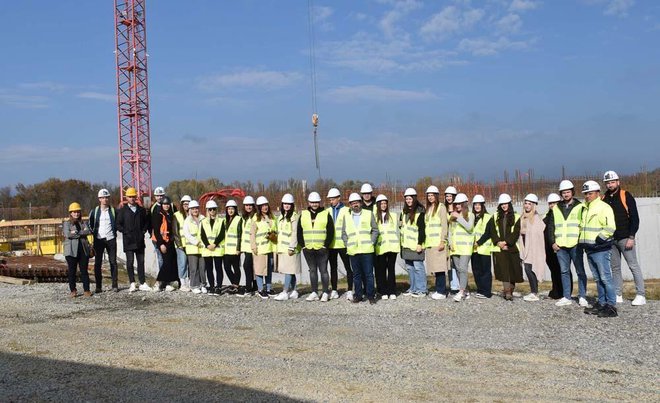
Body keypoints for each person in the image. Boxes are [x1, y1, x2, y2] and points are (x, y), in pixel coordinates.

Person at [602, 170, 646, 306]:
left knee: (633, 266)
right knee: (615, 267)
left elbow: (635, 218)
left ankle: (641, 295)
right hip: (611, 240)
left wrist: (631, 237)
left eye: (612, 182)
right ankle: (618, 293)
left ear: (618, 182)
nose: (610, 185)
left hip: (625, 238)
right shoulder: (604, 198)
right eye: (608, 183)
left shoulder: (625, 195)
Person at [580, 181, 618, 318]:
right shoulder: (585, 208)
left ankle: (611, 306)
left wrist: (600, 239)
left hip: (600, 248)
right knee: (598, 279)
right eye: (585, 194)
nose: (587, 196)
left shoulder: (604, 207)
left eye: (590, 193)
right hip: (589, 248)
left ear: (597, 193)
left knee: (605, 278)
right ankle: (602, 303)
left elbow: (610, 227)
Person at [547, 180, 588, 307]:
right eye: (563, 192)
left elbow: (583, 225)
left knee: (580, 271)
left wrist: (581, 242)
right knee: (564, 271)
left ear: (572, 192)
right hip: (561, 246)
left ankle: (582, 296)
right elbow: (551, 227)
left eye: (568, 192)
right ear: (561, 194)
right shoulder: (556, 208)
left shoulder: (580, 207)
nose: (566, 194)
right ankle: (566, 297)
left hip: (575, 245)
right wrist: (552, 242)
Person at [478, 193, 521, 301]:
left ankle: (511, 289)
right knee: (504, 270)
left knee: (513, 270)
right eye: (502, 204)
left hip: (512, 247)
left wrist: (506, 243)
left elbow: (516, 233)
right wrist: (498, 243)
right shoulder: (495, 216)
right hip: (499, 248)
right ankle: (507, 292)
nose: (504, 206)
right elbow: (492, 231)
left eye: (505, 203)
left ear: (509, 204)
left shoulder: (516, 217)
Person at [342, 193, 379, 304]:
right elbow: (343, 233)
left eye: (357, 202)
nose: (355, 205)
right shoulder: (347, 217)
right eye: (353, 203)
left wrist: (371, 242)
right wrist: (347, 243)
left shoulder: (368, 214)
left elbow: (375, 230)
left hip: (367, 250)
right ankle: (358, 295)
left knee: (368, 274)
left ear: (360, 203)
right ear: (350, 205)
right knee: (356, 275)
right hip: (353, 250)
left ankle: (371, 295)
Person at [298, 191, 334, 302]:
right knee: (312, 270)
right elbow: (299, 231)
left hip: (321, 248)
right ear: (309, 202)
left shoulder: (325, 213)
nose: (314, 204)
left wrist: (326, 245)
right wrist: (303, 245)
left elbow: (330, 231)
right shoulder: (303, 214)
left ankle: (324, 292)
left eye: (316, 202)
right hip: (308, 248)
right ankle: (314, 292)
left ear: (319, 202)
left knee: (323, 271)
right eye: (312, 202)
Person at [115, 187, 150, 292]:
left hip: (139, 241)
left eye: (133, 196)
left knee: (141, 262)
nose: (132, 198)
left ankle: (142, 282)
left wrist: (143, 231)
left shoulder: (141, 210)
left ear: (136, 197)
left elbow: (146, 222)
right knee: (130, 262)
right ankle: (132, 283)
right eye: (130, 197)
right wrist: (125, 231)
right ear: (126, 198)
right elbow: (118, 224)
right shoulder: (122, 211)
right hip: (128, 241)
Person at [88, 188, 118, 293]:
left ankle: (115, 285)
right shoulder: (95, 211)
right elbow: (89, 224)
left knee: (113, 262)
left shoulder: (113, 211)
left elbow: (117, 223)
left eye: (106, 197)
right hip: (99, 240)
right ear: (99, 199)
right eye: (102, 198)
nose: (105, 199)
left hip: (111, 239)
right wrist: (94, 233)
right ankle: (98, 287)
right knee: (98, 263)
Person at [326, 188, 353, 300]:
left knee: (348, 267)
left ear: (338, 198)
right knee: (333, 268)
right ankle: (334, 290)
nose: (331, 201)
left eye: (332, 199)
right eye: (330, 199)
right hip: (332, 245)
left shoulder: (347, 210)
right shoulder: (327, 211)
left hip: (343, 244)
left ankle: (350, 290)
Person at [519, 194, 546, 302]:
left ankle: (534, 292)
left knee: (530, 270)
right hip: (525, 246)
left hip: (534, 247)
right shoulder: (523, 217)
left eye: (529, 204)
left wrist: (526, 232)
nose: (527, 206)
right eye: (525, 203)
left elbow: (538, 233)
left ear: (533, 205)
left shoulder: (536, 217)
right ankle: (533, 291)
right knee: (527, 269)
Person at [400, 188, 426, 297]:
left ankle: (422, 290)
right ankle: (413, 288)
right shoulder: (403, 212)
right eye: (407, 199)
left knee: (418, 267)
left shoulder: (420, 211)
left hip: (416, 245)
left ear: (414, 198)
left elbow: (422, 229)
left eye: (410, 198)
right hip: (406, 245)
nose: (408, 201)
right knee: (410, 268)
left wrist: (420, 243)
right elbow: (402, 227)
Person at [274, 194, 301, 301]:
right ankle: (294, 291)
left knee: (288, 271)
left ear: (292, 205)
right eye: (285, 204)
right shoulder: (281, 217)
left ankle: (285, 291)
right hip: (283, 248)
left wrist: (292, 247)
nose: (287, 206)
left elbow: (295, 233)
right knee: (290, 270)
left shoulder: (294, 217)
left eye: (289, 204)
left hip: (291, 249)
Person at [448, 193, 474, 302]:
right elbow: (450, 231)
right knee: (458, 269)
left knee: (463, 268)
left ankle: (461, 291)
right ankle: (466, 290)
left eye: (460, 204)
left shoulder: (470, 215)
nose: (458, 206)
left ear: (464, 204)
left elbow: (469, 227)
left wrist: (459, 217)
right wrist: (450, 243)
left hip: (466, 248)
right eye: (456, 204)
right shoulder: (452, 216)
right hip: (455, 247)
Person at [63, 202, 92, 297]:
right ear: (70, 213)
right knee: (72, 271)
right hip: (71, 251)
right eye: (74, 212)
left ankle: (87, 290)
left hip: (83, 250)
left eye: (78, 212)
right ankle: (73, 290)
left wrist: (76, 232)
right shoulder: (67, 224)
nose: (76, 214)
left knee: (84, 270)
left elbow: (88, 231)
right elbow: (68, 234)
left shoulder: (84, 223)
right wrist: (81, 233)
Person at [424, 186, 449, 300]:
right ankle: (438, 289)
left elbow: (444, 225)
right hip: (430, 243)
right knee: (435, 268)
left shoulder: (441, 207)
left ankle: (441, 291)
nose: (430, 197)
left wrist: (443, 241)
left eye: (432, 195)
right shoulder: (428, 208)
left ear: (436, 196)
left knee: (440, 268)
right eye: (428, 195)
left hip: (438, 243)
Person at [251, 196, 277, 299]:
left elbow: (275, 230)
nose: (265, 207)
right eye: (262, 206)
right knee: (260, 270)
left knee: (269, 269)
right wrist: (253, 246)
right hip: (260, 249)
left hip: (270, 247)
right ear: (259, 207)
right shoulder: (255, 218)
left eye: (266, 205)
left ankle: (269, 288)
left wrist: (274, 235)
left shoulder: (272, 217)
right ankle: (261, 289)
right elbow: (252, 234)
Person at [374, 194, 399, 300]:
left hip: (392, 247)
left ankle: (392, 291)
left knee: (391, 269)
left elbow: (397, 230)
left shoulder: (393, 215)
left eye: (385, 203)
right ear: (378, 205)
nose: (383, 205)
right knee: (382, 270)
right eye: (381, 203)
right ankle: (383, 291)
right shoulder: (374, 217)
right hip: (381, 247)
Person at [151, 196, 179, 292]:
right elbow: (157, 231)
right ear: (161, 205)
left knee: (172, 261)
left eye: (167, 204)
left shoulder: (170, 215)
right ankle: (158, 282)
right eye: (164, 204)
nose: (166, 206)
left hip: (170, 241)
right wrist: (161, 244)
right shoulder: (158, 215)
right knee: (166, 262)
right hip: (162, 242)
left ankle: (170, 282)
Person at [471, 195, 494, 299]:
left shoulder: (488, 217)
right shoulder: (472, 217)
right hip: (474, 249)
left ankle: (486, 291)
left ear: (482, 205)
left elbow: (488, 233)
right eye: (475, 204)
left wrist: (479, 242)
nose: (477, 206)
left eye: (479, 204)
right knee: (476, 270)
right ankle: (480, 289)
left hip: (484, 248)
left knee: (485, 271)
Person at [200, 200, 225, 295]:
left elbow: (222, 234)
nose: (212, 211)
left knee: (218, 268)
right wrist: (207, 245)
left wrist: (214, 244)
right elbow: (202, 235)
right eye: (210, 209)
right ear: (207, 210)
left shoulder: (221, 221)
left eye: (214, 209)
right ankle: (211, 286)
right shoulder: (203, 222)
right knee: (209, 269)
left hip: (217, 248)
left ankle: (218, 287)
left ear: (216, 210)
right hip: (207, 249)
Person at [182, 200, 206, 294]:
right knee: (193, 268)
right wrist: (196, 242)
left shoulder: (203, 218)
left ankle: (203, 284)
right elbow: (187, 234)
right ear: (190, 210)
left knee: (202, 267)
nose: (195, 210)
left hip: (202, 248)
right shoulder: (187, 220)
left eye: (196, 208)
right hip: (192, 248)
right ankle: (194, 285)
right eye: (193, 208)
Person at [544, 193, 563, 299]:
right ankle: (555, 290)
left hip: (557, 247)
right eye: (550, 203)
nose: (552, 205)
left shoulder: (560, 215)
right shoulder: (547, 215)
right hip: (548, 248)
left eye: (554, 203)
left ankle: (563, 291)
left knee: (561, 270)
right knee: (553, 270)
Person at [223, 199, 243, 295]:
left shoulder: (239, 219)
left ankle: (235, 285)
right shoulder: (225, 220)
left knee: (236, 268)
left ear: (235, 209)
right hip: (227, 249)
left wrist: (238, 248)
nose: (230, 211)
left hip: (235, 249)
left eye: (232, 209)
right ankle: (234, 283)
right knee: (226, 267)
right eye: (229, 209)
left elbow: (239, 235)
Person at [173, 195, 191, 292]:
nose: (186, 206)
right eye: (184, 204)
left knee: (191, 265)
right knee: (182, 264)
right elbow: (175, 232)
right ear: (181, 204)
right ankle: (183, 283)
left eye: (188, 204)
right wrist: (179, 244)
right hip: (181, 245)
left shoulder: (193, 215)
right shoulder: (177, 215)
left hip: (191, 245)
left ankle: (190, 283)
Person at [444, 186, 460, 293]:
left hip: (457, 239)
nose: (448, 198)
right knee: (449, 264)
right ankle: (453, 285)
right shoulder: (443, 209)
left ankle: (459, 286)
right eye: (447, 196)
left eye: (450, 196)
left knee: (457, 264)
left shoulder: (458, 209)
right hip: (447, 239)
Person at [240, 196, 257, 295]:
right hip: (246, 247)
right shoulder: (244, 217)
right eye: (246, 205)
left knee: (246, 266)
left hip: (252, 246)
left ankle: (248, 288)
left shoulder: (255, 217)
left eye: (250, 205)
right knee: (250, 267)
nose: (248, 207)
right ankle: (253, 286)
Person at [149, 186, 166, 271]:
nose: (160, 197)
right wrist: (151, 234)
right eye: (158, 196)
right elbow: (150, 223)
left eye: (161, 195)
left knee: (167, 258)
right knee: (160, 258)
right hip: (156, 237)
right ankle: (162, 278)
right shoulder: (153, 208)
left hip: (167, 237)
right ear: (155, 197)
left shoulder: (168, 205)